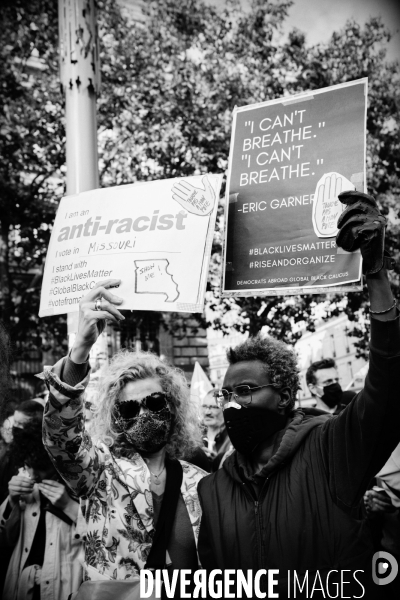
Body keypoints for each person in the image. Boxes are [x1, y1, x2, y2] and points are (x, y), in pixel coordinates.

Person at [197, 191, 400, 598]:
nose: (232, 402)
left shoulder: (332, 448)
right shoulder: (213, 489)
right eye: (225, 394)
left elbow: (389, 386)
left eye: (247, 390)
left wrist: (375, 275)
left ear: (287, 395)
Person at [41, 290, 206, 582]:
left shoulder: (202, 482)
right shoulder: (99, 473)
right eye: (129, 408)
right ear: (116, 417)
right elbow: (61, 438)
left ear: (174, 405)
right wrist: (80, 349)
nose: (143, 414)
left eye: (154, 402)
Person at [0, 421, 84, 600]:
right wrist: (11, 501)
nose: (33, 474)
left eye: (41, 468)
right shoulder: (21, 483)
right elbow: (5, 540)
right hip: (22, 589)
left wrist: (69, 506)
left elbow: (102, 540)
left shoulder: (82, 485)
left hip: (65, 589)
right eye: (28, 465)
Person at [0, 400, 45, 504]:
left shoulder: (44, 454)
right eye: (14, 422)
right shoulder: (10, 452)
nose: (14, 428)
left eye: (20, 423)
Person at [201, 390, 231, 470]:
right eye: (204, 406)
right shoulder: (193, 436)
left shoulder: (233, 439)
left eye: (214, 407)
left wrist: (219, 461)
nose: (207, 412)